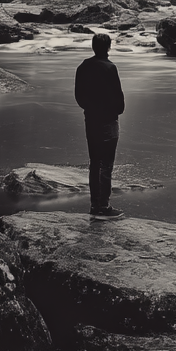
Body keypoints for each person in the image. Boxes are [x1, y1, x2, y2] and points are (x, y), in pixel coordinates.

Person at [74, 31, 125, 219]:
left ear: (93, 47)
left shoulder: (83, 66)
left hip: (91, 120)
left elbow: (79, 95)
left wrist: (90, 108)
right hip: (108, 120)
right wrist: (116, 111)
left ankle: (95, 205)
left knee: (94, 163)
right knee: (106, 164)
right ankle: (104, 206)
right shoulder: (110, 68)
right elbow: (118, 96)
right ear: (109, 47)